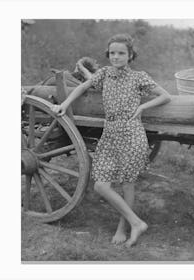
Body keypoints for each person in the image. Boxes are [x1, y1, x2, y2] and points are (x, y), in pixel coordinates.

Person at [52, 33, 171, 247]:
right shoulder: (104, 74)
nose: (116, 57)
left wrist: (143, 107)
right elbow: (82, 87)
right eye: (112, 53)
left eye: (121, 53)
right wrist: (64, 103)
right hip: (109, 134)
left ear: (130, 55)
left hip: (131, 133)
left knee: (127, 183)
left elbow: (165, 95)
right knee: (101, 185)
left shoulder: (139, 77)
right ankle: (137, 222)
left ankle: (123, 228)